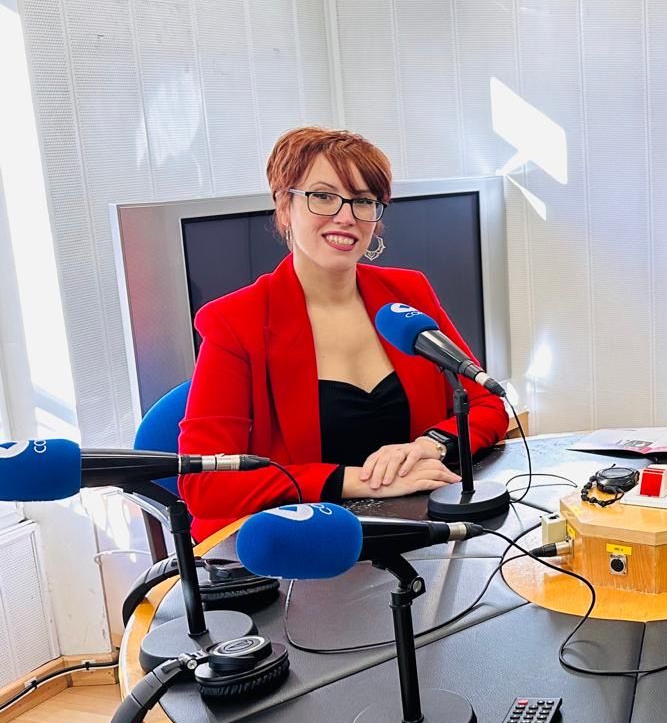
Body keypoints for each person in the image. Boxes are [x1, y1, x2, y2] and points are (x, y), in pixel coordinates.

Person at [178, 127, 508, 539]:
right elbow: (205, 483)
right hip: (302, 545)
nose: (346, 215)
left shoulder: (408, 293)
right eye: (323, 196)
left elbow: (485, 403)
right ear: (285, 206)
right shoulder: (236, 322)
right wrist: (358, 480)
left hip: (415, 529)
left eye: (364, 200)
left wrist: (429, 445)